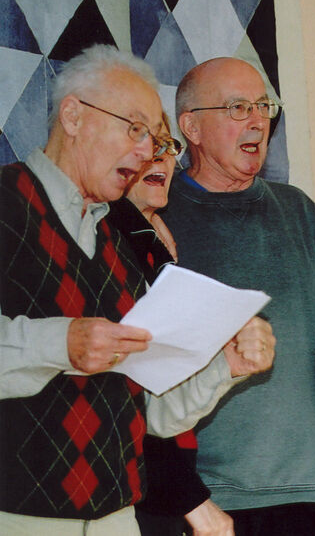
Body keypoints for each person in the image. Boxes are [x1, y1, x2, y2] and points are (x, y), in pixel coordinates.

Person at [0, 45, 274, 535]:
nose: (147, 150)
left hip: (118, 519)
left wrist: (223, 368)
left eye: (152, 138)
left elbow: (152, 414)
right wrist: (59, 343)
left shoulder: (122, 246)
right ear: (74, 115)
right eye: (134, 129)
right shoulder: (4, 202)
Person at [163, 57, 315, 535]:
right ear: (190, 127)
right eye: (238, 107)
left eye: (264, 105)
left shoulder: (297, 210)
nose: (258, 119)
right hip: (199, 505)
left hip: (306, 500)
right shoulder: (158, 217)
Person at [105, 116, 234, 536]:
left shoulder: (153, 244)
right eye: (145, 139)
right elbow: (125, 395)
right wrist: (192, 501)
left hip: (162, 487)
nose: (160, 153)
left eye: (166, 143)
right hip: (134, 493)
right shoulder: (112, 243)